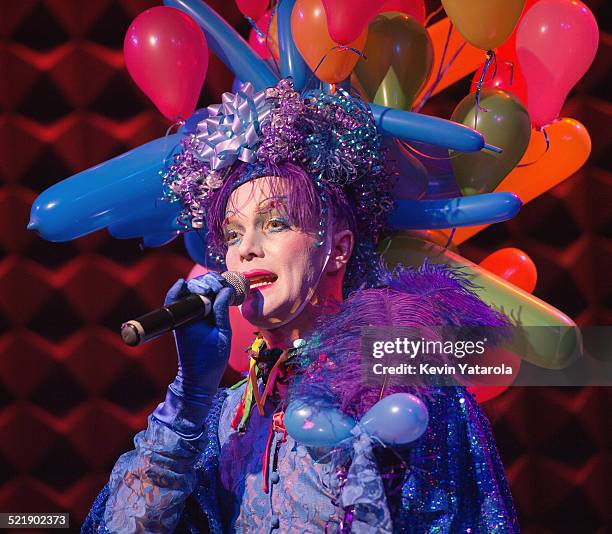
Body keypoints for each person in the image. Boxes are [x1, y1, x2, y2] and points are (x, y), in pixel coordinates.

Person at [82, 80, 519, 533]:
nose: (246, 249)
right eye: (232, 234)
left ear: (337, 249)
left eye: (275, 222)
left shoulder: (405, 389)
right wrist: (188, 403)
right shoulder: (223, 420)